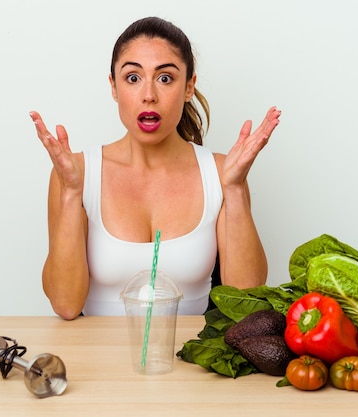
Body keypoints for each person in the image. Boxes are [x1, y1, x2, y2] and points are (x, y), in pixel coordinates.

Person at [30, 16, 281, 320]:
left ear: (189, 87)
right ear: (113, 87)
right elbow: (65, 305)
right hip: (96, 361)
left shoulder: (221, 172)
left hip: (189, 360)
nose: (148, 94)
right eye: (133, 78)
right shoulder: (76, 173)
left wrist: (236, 190)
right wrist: (71, 193)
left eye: (165, 78)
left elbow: (246, 301)